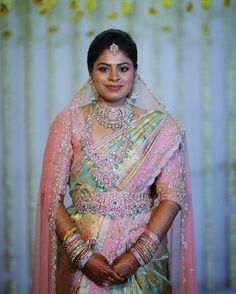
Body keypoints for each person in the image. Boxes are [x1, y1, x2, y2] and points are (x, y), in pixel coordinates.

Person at [33, 29, 197, 294]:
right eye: (103, 68)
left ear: (135, 71)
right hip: (81, 260)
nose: (113, 77)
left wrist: (137, 255)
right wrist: (82, 256)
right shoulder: (68, 124)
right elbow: (50, 196)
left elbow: (172, 196)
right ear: (91, 73)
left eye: (122, 68)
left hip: (144, 262)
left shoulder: (161, 128)